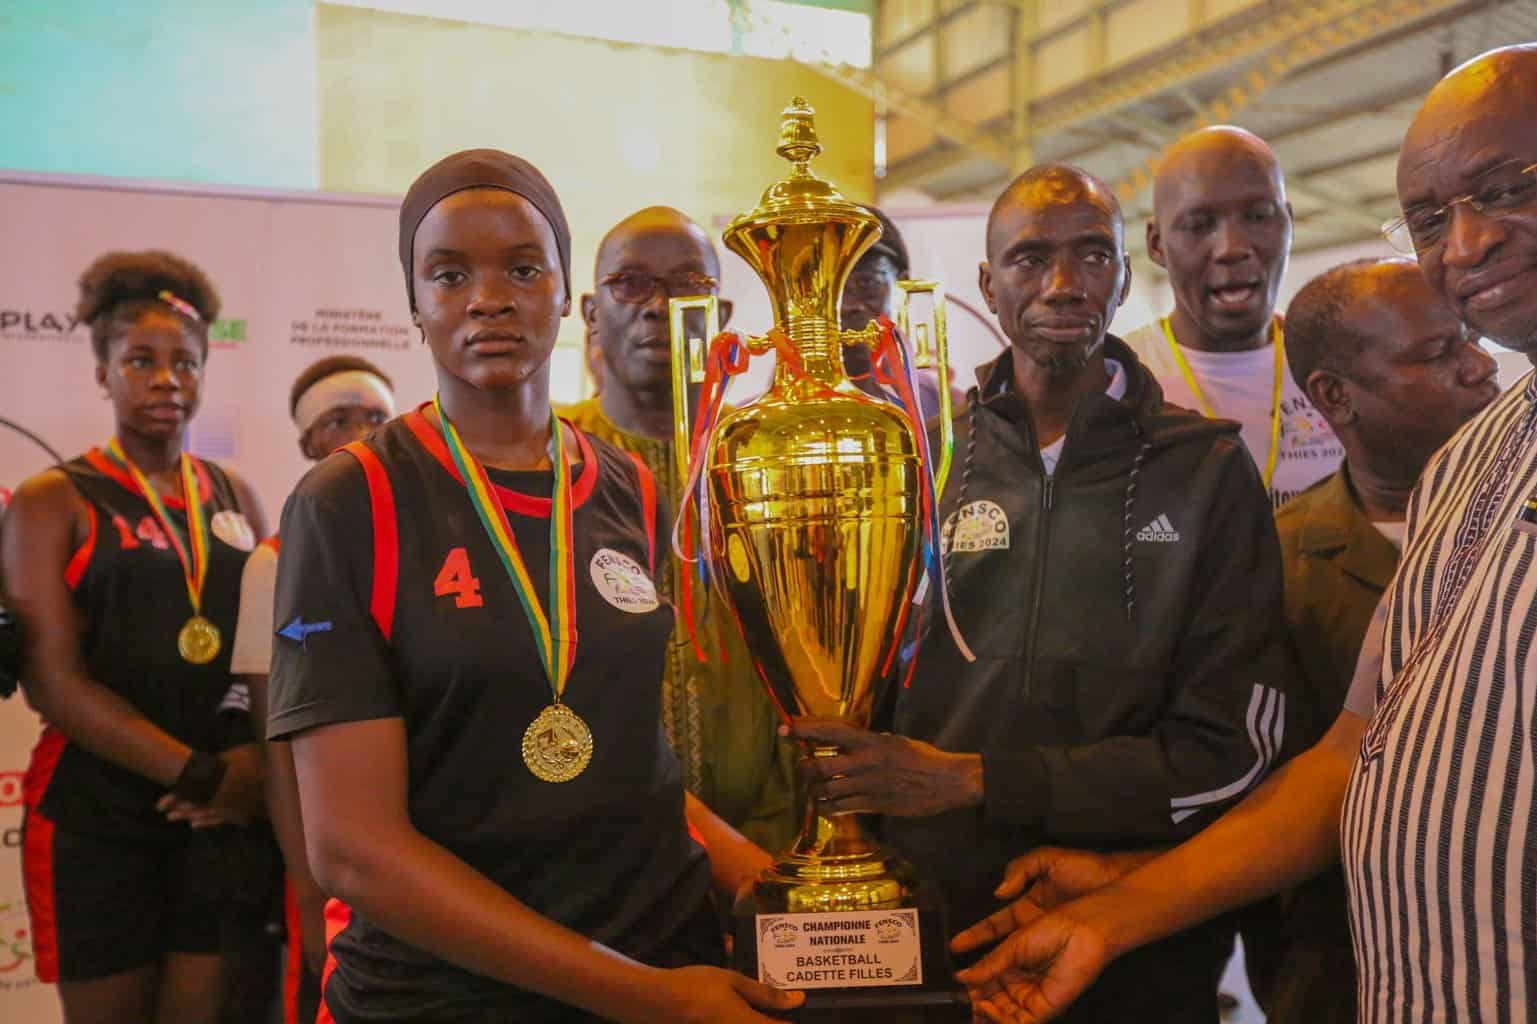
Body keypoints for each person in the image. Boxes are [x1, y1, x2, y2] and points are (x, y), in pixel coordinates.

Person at [952, 44, 1537, 1024]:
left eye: (1508, 187)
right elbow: (1352, 749)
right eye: (1429, 218)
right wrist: (1126, 902)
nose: (1465, 243)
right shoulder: (1471, 465)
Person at [266, 149, 801, 1022]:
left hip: (663, 955)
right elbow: (354, 850)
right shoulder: (351, 498)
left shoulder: (626, 484)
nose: (488, 298)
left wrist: (771, 885)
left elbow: (634, 762)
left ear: (562, 294)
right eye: (448, 273)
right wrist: (645, 998)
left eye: (521, 268)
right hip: (451, 997)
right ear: (414, 303)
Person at [790, 165, 1295, 1024]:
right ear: (987, 284)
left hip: (1131, 940)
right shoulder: (921, 462)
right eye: (1028, 260)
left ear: (1125, 275)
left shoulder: (1203, 470)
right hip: (936, 935)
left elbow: (1232, 753)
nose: (1062, 285)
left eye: (1090, 255)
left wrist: (984, 781)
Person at [4, 250, 269, 1024]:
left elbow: (259, 658)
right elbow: (53, 682)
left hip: (219, 813)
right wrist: (202, 776)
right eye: (141, 361)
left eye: (185, 363)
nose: (166, 380)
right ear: (102, 371)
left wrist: (251, 760)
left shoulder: (235, 495)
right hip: (98, 815)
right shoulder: (54, 501)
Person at [1237, 258, 1499, 1023]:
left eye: (1472, 339)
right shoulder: (1269, 566)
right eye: (1437, 353)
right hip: (1339, 964)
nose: (1479, 365)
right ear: (1333, 397)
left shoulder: (1518, 527)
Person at [566, 206, 798, 852]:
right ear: (589, 313)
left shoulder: (767, 462)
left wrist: (773, 838)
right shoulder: (551, 461)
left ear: (720, 319)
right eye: (630, 283)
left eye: (687, 287)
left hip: (767, 835)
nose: (656, 306)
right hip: (591, 845)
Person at [229, 355, 397, 1024]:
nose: (361, 432)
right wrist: (305, 879)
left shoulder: (421, 543)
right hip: (331, 858)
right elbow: (274, 743)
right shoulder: (273, 561)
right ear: (306, 442)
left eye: (377, 418)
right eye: (338, 420)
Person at [1123, 126, 1343, 507]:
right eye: (1198, 225)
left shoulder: (1345, 367)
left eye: (1258, 216)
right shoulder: (1118, 384)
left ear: (1288, 224)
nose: (1232, 248)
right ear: (1156, 244)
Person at [839, 204, 943, 420]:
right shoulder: (762, 421)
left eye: (866, 282)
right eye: (830, 287)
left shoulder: (940, 407)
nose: (847, 305)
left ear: (902, 284)